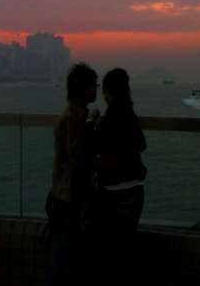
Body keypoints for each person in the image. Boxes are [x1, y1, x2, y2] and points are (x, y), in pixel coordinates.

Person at [92, 67, 147, 284]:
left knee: (110, 252)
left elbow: (97, 148)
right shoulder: (129, 114)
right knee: (126, 247)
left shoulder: (109, 118)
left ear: (107, 92)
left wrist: (94, 126)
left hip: (113, 193)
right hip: (134, 190)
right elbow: (141, 144)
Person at [47, 62, 99, 286]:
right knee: (66, 253)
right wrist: (91, 124)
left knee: (69, 252)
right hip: (68, 196)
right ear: (81, 89)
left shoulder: (77, 115)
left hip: (70, 193)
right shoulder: (71, 118)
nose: (96, 90)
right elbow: (76, 153)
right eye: (93, 85)